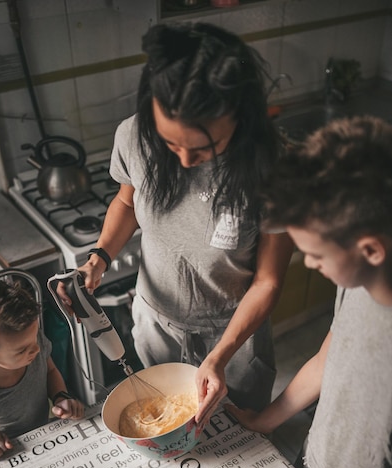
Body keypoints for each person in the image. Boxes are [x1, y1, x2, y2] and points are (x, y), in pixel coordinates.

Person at [60, 22, 293, 424]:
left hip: (234, 335)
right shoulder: (133, 136)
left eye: (204, 149)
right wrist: (98, 256)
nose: (184, 162)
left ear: (239, 117)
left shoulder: (272, 166)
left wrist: (221, 356)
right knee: (164, 430)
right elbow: (126, 201)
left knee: (238, 442)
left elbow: (268, 281)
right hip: (157, 326)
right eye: (170, 145)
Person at [227, 115, 392, 468]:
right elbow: (328, 356)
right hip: (317, 457)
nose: (310, 264)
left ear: (369, 249)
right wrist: (264, 420)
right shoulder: (359, 283)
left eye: (316, 255)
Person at [0, 270, 84, 461]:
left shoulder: (30, 343)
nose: (36, 348)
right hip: (2, 454)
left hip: (43, 436)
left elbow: (50, 370)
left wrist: (61, 396)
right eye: (22, 350)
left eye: (36, 337)